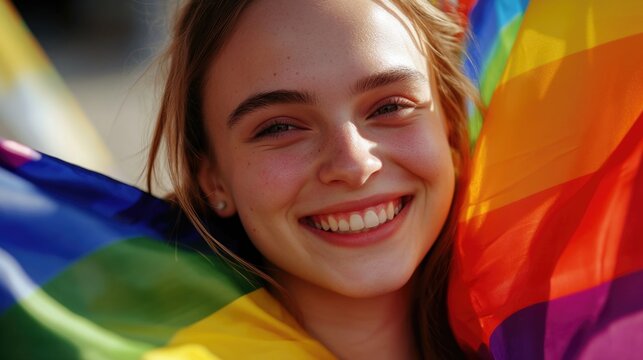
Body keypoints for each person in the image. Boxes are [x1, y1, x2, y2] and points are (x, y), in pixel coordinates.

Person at [146, 0, 476, 358]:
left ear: (451, 124)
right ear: (212, 179)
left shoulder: (536, 334)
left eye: (390, 107)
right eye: (280, 128)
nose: (353, 165)